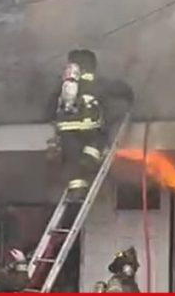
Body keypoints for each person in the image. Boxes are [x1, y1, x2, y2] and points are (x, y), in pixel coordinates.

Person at [47, 49, 134, 202]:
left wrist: (52, 119)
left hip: (66, 130)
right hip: (89, 128)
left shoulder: (63, 84)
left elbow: (50, 104)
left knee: (72, 161)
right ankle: (89, 160)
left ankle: (77, 191)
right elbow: (119, 89)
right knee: (100, 138)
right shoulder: (96, 81)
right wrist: (130, 96)